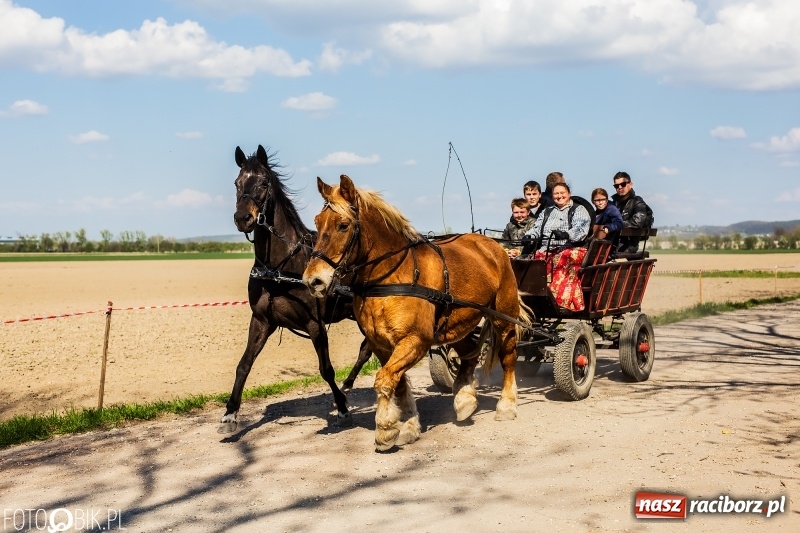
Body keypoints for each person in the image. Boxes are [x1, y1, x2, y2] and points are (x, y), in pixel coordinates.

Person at [524, 183, 591, 311]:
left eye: (562, 193)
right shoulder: (547, 211)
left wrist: (566, 234)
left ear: (569, 194)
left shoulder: (578, 209)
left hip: (571, 247)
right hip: (548, 248)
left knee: (561, 259)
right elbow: (537, 229)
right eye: (556, 194)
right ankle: (533, 299)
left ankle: (560, 301)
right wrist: (529, 237)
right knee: (531, 262)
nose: (559, 196)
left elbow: (581, 229)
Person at [611, 171, 654, 254]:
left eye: (623, 184)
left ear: (630, 184)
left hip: (628, 244)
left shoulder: (637, 202)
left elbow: (637, 222)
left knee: (599, 250)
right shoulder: (615, 204)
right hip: (615, 241)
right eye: (616, 186)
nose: (619, 187)